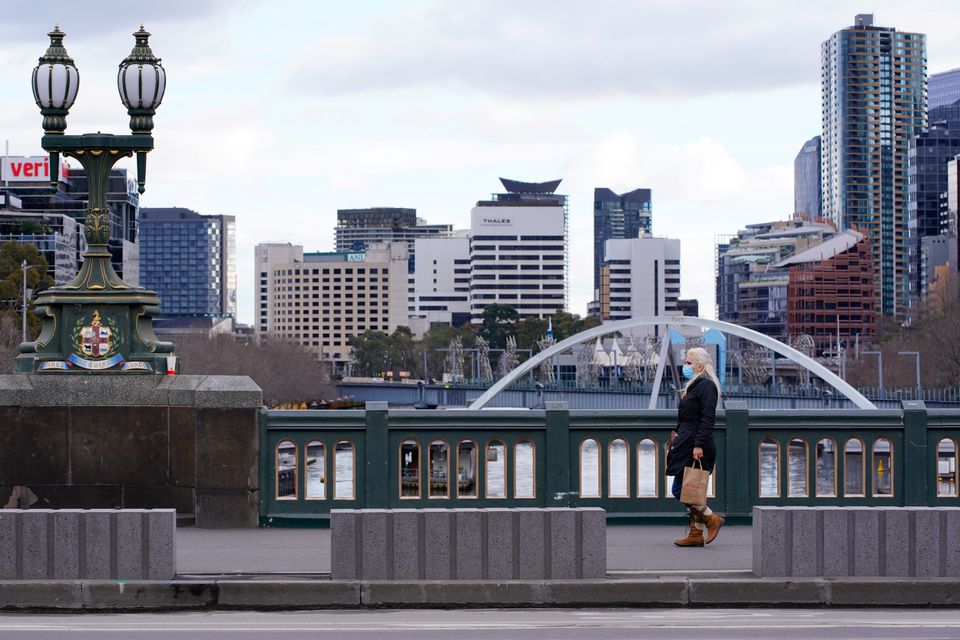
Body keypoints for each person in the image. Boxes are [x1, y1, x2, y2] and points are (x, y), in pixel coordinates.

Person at [666, 347, 724, 547]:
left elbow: (708, 419)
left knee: (680, 489)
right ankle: (696, 534)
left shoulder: (706, 386)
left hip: (697, 446)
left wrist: (698, 444)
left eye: (689, 363)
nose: (685, 366)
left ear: (700, 366)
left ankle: (711, 518)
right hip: (687, 444)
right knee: (693, 491)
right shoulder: (695, 385)